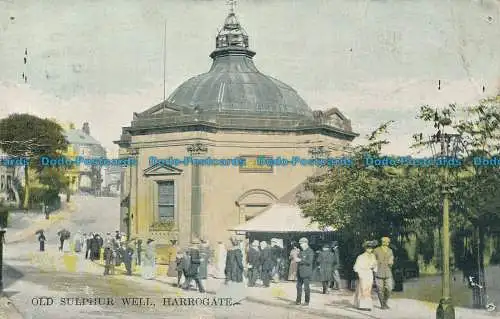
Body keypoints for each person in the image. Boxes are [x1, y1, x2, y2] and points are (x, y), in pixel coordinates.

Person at [353, 240, 378, 311]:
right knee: (363, 288)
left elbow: (375, 264)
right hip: (363, 273)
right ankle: (363, 305)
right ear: (365, 248)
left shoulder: (373, 256)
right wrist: (360, 274)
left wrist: (374, 267)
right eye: (368, 248)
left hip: (369, 273)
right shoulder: (360, 257)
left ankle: (367, 305)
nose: (370, 249)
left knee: (368, 289)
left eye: (371, 248)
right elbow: (356, 267)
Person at [373, 237, 394, 309]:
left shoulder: (390, 251)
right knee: (380, 289)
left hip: (388, 272)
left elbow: (391, 260)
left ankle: (385, 302)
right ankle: (382, 304)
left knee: (389, 288)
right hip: (378, 272)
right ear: (382, 242)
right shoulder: (376, 250)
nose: (386, 243)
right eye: (384, 241)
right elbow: (372, 260)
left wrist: (391, 262)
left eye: (387, 242)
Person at [295, 237, 314, 306]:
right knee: (298, 287)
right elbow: (298, 260)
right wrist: (296, 256)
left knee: (306, 288)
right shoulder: (301, 251)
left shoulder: (310, 251)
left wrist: (300, 260)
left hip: (306, 273)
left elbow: (309, 261)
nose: (300, 245)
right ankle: (298, 301)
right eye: (300, 244)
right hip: (300, 272)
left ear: (306, 243)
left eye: (301, 244)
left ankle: (306, 301)